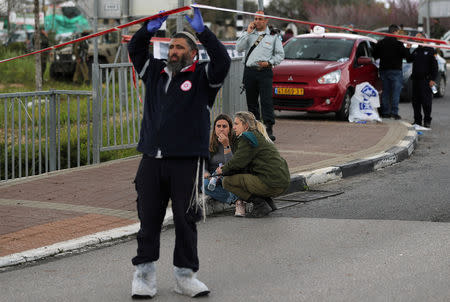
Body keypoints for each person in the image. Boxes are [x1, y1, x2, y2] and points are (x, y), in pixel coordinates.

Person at [127, 8, 231, 299]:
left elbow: (222, 61)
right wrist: (148, 30)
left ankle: (185, 276)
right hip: (151, 159)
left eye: (179, 47)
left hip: (186, 162)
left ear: (192, 53)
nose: (173, 51)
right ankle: (144, 276)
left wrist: (203, 31)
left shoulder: (203, 77)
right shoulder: (156, 73)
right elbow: (134, 49)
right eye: (171, 46)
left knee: (186, 221)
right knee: (148, 219)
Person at [216, 111, 290, 218]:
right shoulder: (256, 135)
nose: (234, 127)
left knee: (227, 182)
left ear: (245, 125)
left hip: (272, 183)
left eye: (237, 124)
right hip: (281, 181)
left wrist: (223, 170)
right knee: (247, 175)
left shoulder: (246, 138)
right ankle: (268, 202)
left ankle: (260, 204)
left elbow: (237, 162)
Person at [236, 11, 284, 141]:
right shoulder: (248, 34)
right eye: (255, 19)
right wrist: (248, 33)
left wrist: (269, 62)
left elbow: (280, 55)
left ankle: (268, 127)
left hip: (265, 71)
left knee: (266, 101)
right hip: (250, 71)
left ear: (266, 20)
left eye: (260, 19)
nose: (257, 21)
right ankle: (255, 127)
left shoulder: (273, 36)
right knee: (251, 101)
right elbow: (238, 48)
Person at [203, 114, 245, 217]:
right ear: (214, 128)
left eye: (224, 126)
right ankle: (236, 201)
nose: (221, 129)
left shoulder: (236, 142)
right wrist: (205, 172)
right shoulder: (209, 143)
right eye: (218, 126)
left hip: (230, 175)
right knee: (203, 185)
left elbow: (233, 165)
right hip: (214, 176)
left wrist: (226, 145)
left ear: (230, 129)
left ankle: (239, 203)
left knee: (228, 179)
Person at [373, 24, 410, 120]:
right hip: (396, 70)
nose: (398, 34)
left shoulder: (381, 43)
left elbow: (374, 54)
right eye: (398, 32)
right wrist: (407, 48)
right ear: (395, 32)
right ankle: (394, 112)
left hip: (384, 70)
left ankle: (385, 112)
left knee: (385, 91)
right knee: (395, 92)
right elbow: (407, 56)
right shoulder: (399, 44)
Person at [406, 33, 438, 128]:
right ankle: (417, 121)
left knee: (426, 102)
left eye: (418, 36)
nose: (416, 38)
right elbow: (408, 59)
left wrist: (432, 79)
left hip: (426, 80)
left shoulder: (431, 50)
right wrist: (408, 48)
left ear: (424, 38)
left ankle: (427, 120)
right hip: (416, 80)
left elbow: (435, 67)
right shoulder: (416, 50)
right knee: (416, 102)